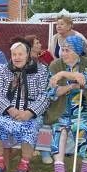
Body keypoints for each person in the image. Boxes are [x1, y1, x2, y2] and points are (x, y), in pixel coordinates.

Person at [0, 40, 50, 172]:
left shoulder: (41, 70)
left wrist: (29, 112)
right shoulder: (6, 69)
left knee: (31, 127)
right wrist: (9, 109)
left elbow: (45, 96)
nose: (17, 57)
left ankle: (24, 164)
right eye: (14, 54)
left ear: (28, 54)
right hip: (8, 111)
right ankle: (0, 162)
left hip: (30, 113)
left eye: (20, 54)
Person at [45, 35, 87, 172]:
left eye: (67, 50)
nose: (63, 54)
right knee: (59, 130)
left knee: (85, 128)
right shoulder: (55, 65)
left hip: (83, 111)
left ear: (77, 51)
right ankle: (59, 170)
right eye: (62, 50)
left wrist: (63, 75)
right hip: (61, 111)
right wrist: (71, 86)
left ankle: (86, 170)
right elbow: (51, 93)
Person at [24, 35, 56, 164]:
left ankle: (44, 151)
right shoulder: (22, 62)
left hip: (40, 101)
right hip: (24, 102)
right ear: (30, 46)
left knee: (43, 119)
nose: (39, 44)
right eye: (37, 42)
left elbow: (45, 88)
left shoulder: (42, 62)